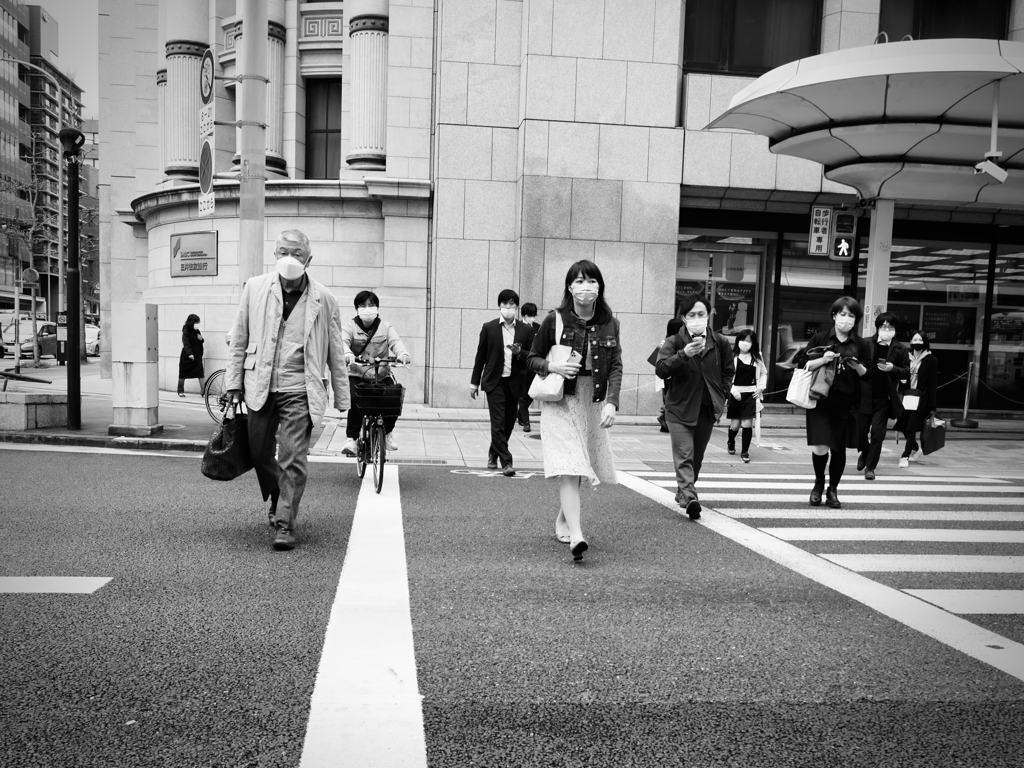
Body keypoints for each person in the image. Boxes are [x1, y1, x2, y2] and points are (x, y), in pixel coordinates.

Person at [226, 229, 350, 552]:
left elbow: (335, 350)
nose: (289, 259)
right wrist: (234, 385)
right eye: (283, 252)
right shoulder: (254, 288)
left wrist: (342, 396)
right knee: (258, 452)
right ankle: (280, 497)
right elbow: (239, 339)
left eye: (295, 253)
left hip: (301, 388)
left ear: (309, 259)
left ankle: (284, 523)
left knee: (293, 457)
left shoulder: (325, 299)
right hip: (260, 384)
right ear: (274, 254)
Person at [527, 260, 620, 562]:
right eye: (579, 281)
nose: (585, 287)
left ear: (599, 287)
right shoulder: (554, 320)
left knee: (580, 464)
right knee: (570, 466)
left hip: (591, 400)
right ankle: (577, 536)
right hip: (561, 401)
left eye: (591, 281)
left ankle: (563, 519)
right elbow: (531, 358)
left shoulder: (610, 322)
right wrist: (551, 366)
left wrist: (612, 401)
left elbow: (616, 365)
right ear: (569, 287)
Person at [655, 294, 735, 520]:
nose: (697, 318)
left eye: (702, 314)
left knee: (696, 458)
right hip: (678, 409)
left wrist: (724, 393)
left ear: (708, 316)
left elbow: (728, 371)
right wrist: (683, 355)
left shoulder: (720, 342)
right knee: (685, 454)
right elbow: (661, 369)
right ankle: (690, 498)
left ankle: (684, 491)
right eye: (692, 315)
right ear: (684, 317)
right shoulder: (674, 342)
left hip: (706, 408)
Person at [794, 297, 871, 509]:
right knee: (820, 447)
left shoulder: (862, 345)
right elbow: (801, 363)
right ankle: (819, 483)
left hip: (847, 404)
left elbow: (868, 374)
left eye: (851, 316)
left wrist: (858, 367)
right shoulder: (820, 338)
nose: (846, 319)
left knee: (838, 449)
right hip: (820, 401)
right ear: (834, 315)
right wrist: (823, 359)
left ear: (856, 320)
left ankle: (833, 489)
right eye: (842, 314)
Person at [471, 289, 536, 476]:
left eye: (512, 305)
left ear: (516, 307)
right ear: (499, 306)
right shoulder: (489, 327)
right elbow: (480, 357)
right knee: (498, 422)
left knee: (508, 423)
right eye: (505, 304)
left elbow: (532, 356)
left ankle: (493, 452)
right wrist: (474, 383)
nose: (508, 308)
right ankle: (506, 462)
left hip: (514, 382)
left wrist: (519, 353)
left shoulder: (526, 330)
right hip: (494, 382)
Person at [339, 291, 411, 456]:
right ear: (357, 309)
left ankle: (387, 432)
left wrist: (403, 355)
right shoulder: (350, 327)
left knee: (395, 397)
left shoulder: (385, 327)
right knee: (355, 399)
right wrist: (347, 354)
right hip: (357, 374)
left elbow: (396, 342)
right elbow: (342, 342)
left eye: (371, 305)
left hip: (381, 374)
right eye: (363, 305)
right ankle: (352, 439)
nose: (367, 309)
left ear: (377, 307)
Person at [856, 312, 910, 480]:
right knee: (860, 432)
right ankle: (864, 453)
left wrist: (892, 369)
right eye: (884, 326)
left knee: (878, 434)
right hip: (864, 394)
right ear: (878, 327)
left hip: (884, 398)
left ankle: (870, 467)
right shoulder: (865, 342)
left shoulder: (900, 348)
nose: (887, 329)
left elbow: (907, 372)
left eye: (891, 327)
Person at [895, 330, 938, 468]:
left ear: (925, 342)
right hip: (906, 397)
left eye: (920, 340)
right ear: (910, 342)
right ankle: (916, 449)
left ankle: (905, 456)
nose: (917, 342)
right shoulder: (905, 358)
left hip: (921, 399)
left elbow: (932, 384)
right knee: (902, 426)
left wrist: (932, 406)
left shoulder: (931, 360)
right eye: (915, 340)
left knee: (911, 429)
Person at [727, 329, 767, 463]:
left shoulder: (757, 358)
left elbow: (763, 373)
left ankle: (745, 452)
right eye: (743, 340)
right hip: (735, 393)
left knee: (747, 424)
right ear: (738, 341)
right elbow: (725, 377)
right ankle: (731, 441)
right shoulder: (731, 357)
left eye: (749, 341)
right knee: (735, 426)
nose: (745, 343)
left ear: (753, 343)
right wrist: (733, 391)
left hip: (751, 394)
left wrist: (761, 387)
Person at [650, 318, 684, 433]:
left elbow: (653, 359)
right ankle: (664, 420)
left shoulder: (664, 341)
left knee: (667, 398)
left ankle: (665, 421)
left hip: (663, 376)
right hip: (669, 376)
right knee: (670, 399)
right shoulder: (673, 342)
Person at [517, 302, 541, 433]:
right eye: (529, 316)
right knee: (522, 394)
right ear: (523, 315)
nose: (532, 318)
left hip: (535, 365)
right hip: (521, 365)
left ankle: (520, 413)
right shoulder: (518, 327)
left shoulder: (538, 327)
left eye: (534, 315)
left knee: (533, 392)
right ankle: (526, 422)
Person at [177, 314, 205, 397]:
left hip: (197, 355)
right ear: (192, 322)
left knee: (200, 373)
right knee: (183, 373)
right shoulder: (186, 330)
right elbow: (186, 343)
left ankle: (203, 391)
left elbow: (200, 340)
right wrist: (190, 354)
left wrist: (202, 339)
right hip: (187, 355)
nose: (198, 324)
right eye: (196, 322)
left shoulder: (196, 330)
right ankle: (180, 390)